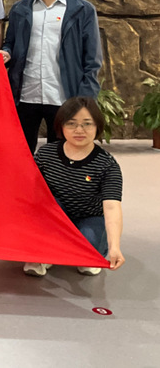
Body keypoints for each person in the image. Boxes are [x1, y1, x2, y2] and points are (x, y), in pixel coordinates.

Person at [0, 0, 102, 154]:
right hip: (26, 95)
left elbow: (92, 60)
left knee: (61, 155)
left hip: (64, 97)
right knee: (20, 153)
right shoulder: (20, 9)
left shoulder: (82, 10)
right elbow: (11, 43)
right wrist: (6, 53)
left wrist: (85, 99)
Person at [23, 97, 125, 277]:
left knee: (88, 250)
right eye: (71, 124)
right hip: (57, 216)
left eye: (87, 124)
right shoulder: (46, 154)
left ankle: (78, 252)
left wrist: (115, 247)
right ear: (61, 126)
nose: (79, 130)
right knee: (45, 203)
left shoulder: (107, 165)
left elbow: (111, 206)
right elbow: (28, 190)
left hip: (89, 217)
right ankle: (43, 253)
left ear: (97, 126)